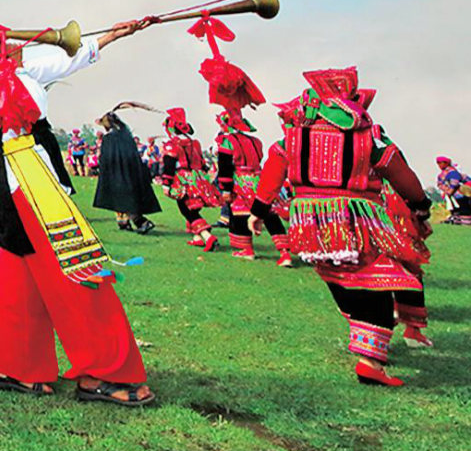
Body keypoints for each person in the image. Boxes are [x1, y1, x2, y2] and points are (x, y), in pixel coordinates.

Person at [0, 14, 156, 407]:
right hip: (27, 181)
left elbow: (74, 56)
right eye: (1, 36)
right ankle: (105, 371)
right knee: (77, 270)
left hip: (25, 178)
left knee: (20, 275)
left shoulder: (17, 66)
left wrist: (117, 31)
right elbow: (25, 107)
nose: (12, 37)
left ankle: (12, 366)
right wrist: (19, 64)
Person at [252, 68, 432, 386]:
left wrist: (258, 210)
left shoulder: (293, 135)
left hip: (310, 220)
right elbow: (398, 171)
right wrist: (420, 205)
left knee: (340, 275)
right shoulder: (367, 134)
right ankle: (370, 361)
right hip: (356, 216)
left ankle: (366, 339)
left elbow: (272, 171)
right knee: (378, 278)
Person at [213, 109, 289, 264]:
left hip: (241, 181)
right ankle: (284, 252)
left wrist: (226, 188)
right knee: (268, 213)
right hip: (259, 179)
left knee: (240, 213)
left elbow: (225, 167)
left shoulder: (227, 142)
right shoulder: (256, 141)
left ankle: (246, 250)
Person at [159, 108, 219, 251]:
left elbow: (169, 165)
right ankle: (197, 237)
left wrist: (166, 184)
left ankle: (207, 236)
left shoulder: (172, 144)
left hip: (183, 179)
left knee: (186, 209)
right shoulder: (195, 143)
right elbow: (202, 163)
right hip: (197, 178)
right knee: (192, 205)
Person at [91, 110, 160, 234]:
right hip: (131, 171)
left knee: (121, 197)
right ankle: (124, 222)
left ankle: (138, 221)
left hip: (115, 172)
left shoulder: (109, 138)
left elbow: (106, 157)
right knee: (127, 196)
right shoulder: (126, 136)